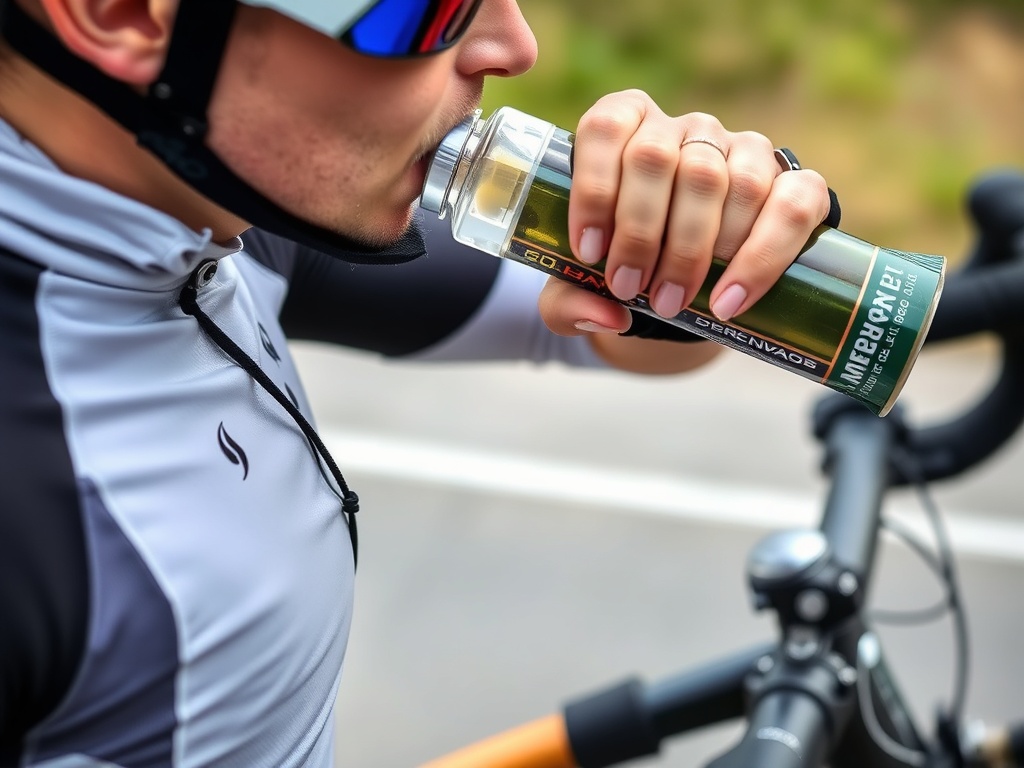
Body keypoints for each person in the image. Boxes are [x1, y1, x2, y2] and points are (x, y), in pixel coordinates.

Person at [0, 0, 833, 765]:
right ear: (117, 14)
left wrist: (692, 244)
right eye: (429, 9)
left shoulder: (218, 210)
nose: (514, 46)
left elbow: (606, 339)